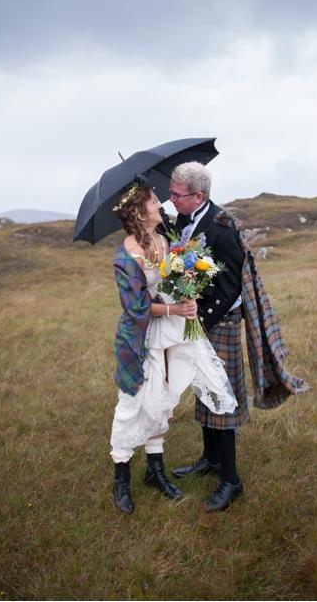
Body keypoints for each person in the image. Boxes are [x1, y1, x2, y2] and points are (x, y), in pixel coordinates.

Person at [164, 161, 307, 511]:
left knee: (222, 397)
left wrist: (201, 323)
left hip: (220, 323)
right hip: (196, 322)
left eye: (176, 195)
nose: (171, 200)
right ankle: (210, 460)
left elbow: (228, 290)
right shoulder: (185, 220)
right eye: (170, 193)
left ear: (198, 195)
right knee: (204, 392)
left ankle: (231, 480)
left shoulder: (223, 229)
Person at [106, 179, 236, 514]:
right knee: (134, 402)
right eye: (151, 201)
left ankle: (155, 470)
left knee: (162, 401)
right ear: (138, 210)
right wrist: (173, 309)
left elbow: (173, 283)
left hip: (171, 332)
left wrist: (188, 293)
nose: (159, 204)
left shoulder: (164, 240)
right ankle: (121, 476)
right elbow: (134, 307)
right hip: (140, 338)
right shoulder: (126, 254)